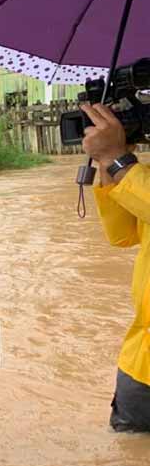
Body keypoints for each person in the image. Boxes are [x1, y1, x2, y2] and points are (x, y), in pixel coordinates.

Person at [83, 103, 150, 432]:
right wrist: (108, 166)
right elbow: (122, 235)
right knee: (128, 461)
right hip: (142, 362)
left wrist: (117, 159)